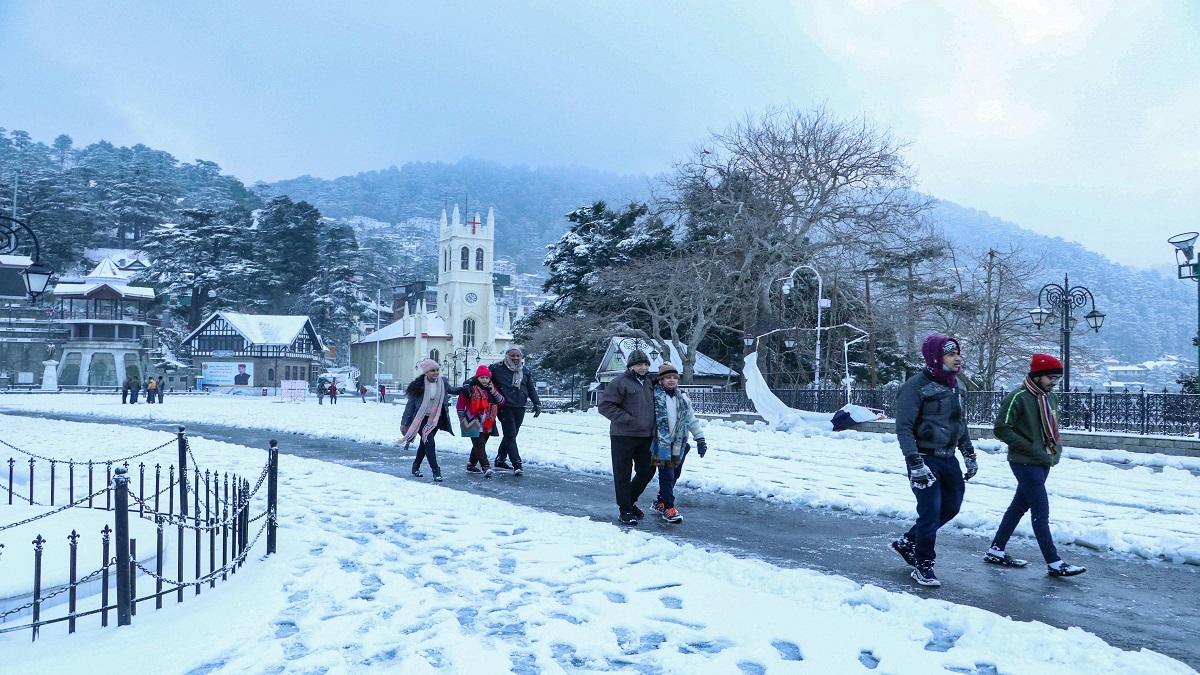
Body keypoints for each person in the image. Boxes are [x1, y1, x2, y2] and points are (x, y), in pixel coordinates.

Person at [984, 353, 1086, 577]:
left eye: (1057, 379)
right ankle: (1054, 562)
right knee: (1041, 511)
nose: (1054, 383)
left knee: (1019, 506)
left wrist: (1055, 451)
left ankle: (996, 549)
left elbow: (1053, 429)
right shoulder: (1017, 397)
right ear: (1037, 376)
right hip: (1024, 461)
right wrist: (1031, 448)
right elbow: (1001, 428)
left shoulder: (1050, 398)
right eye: (1050, 378)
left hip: (1043, 461)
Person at [890, 335, 979, 588]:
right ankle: (923, 565)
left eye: (957, 353)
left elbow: (959, 424)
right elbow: (904, 428)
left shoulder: (957, 386)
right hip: (923, 458)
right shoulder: (914, 387)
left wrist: (969, 454)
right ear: (935, 358)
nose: (957, 358)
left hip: (949, 458)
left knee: (950, 507)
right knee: (929, 513)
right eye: (951, 354)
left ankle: (909, 541)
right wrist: (915, 463)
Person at [598, 349, 657, 525]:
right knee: (623, 473)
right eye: (639, 364)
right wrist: (627, 419)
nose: (643, 367)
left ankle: (629, 502)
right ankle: (625, 510)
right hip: (623, 435)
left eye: (646, 364)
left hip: (646, 436)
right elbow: (605, 406)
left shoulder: (649, 383)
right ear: (631, 365)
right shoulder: (619, 382)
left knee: (647, 470)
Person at [649, 362, 708, 524]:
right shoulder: (653, 396)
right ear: (660, 380)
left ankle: (660, 501)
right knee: (667, 475)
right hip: (660, 443)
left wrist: (700, 439)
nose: (671, 380)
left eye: (674, 377)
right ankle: (669, 508)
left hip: (680, 444)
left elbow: (691, 420)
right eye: (667, 377)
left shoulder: (683, 399)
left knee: (674, 475)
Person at [401, 359, 459, 481]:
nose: (436, 372)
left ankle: (415, 467)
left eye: (437, 370)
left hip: (435, 418)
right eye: (432, 370)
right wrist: (404, 422)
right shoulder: (418, 385)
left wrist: (469, 386)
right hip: (421, 418)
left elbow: (453, 391)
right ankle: (436, 471)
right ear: (426, 372)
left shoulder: (443, 383)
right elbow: (410, 405)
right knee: (430, 443)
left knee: (424, 444)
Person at [489, 347, 541, 475]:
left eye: (518, 356)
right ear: (507, 356)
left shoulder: (525, 370)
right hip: (504, 406)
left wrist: (537, 403)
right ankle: (517, 463)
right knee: (511, 434)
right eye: (512, 356)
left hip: (520, 406)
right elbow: (481, 378)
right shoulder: (496, 368)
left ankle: (500, 458)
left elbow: (530, 388)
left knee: (512, 434)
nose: (516, 358)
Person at [457, 365, 505, 478]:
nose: (484, 380)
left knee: (479, 445)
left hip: (488, 421)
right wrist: (462, 419)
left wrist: (493, 391)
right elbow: (460, 404)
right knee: (479, 445)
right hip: (472, 420)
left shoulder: (492, 389)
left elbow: (502, 401)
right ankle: (486, 467)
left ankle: (471, 464)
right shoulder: (469, 389)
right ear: (477, 377)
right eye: (482, 377)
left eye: (487, 378)